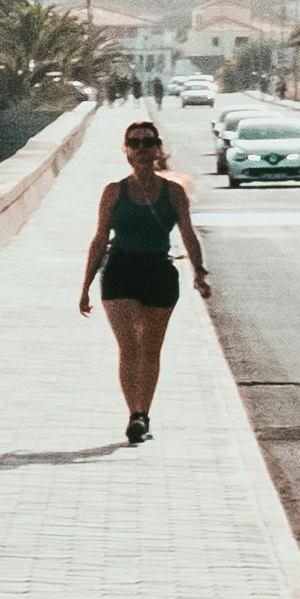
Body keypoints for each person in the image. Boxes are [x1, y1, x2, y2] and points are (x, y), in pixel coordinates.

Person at [78, 116, 210, 442]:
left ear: (157, 149)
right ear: (126, 150)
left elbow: (188, 234)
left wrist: (199, 272)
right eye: (135, 143)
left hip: (159, 273)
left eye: (147, 142)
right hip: (120, 270)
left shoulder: (174, 192)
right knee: (130, 345)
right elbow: (99, 239)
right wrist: (85, 286)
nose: (141, 148)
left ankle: (144, 413)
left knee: (150, 349)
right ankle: (133, 414)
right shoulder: (113, 192)